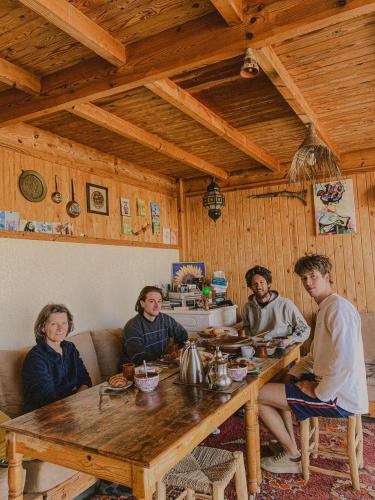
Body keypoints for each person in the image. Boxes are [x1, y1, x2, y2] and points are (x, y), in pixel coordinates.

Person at [259, 254, 368, 474]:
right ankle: (285, 440)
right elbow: (314, 355)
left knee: (256, 396)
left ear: (327, 277)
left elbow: (345, 364)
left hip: (340, 397)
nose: (308, 283)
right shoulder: (327, 307)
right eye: (303, 278)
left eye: (313, 276)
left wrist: (318, 392)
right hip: (334, 388)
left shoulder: (338, 309)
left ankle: (291, 455)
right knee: (279, 381)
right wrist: (294, 373)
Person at [22, 304, 92, 413]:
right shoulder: (35, 358)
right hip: (42, 416)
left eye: (64, 323)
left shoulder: (70, 348)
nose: (60, 328)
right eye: (54, 324)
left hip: (70, 408)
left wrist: (78, 403)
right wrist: (76, 405)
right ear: (42, 327)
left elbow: (85, 380)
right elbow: (47, 400)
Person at [241, 265, 310, 343]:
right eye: (255, 284)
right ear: (251, 287)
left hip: (282, 346)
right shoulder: (247, 307)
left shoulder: (285, 304)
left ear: (269, 284)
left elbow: (305, 329)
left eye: (261, 282)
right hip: (257, 347)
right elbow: (245, 328)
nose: (259, 286)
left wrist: (290, 339)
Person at [122, 286, 188, 365]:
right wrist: (164, 359)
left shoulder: (165, 319)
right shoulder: (132, 326)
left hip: (162, 366)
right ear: (142, 303)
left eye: (159, 301)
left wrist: (178, 353)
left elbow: (183, 336)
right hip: (139, 371)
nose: (157, 306)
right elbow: (139, 358)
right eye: (152, 301)